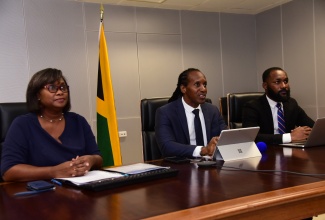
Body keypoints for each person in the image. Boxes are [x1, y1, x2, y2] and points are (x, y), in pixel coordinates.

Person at [1, 68, 103, 181]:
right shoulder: (22, 124)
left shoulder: (78, 121)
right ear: (37, 95)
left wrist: (91, 160)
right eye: (52, 88)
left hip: (79, 189)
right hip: (39, 193)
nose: (60, 92)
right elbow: (9, 171)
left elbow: (98, 157)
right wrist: (53, 172)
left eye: (63, 88)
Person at [155, 68, 227, 158]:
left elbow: (227, 137)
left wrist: (219, 140)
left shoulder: (212, 110)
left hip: (211, 166)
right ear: (183, 88)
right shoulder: (166, 112)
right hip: (183, 167)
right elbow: (166, 147)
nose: (203, 89)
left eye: (205, 84)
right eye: (197, 85)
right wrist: (203, 150)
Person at [242, 67, 314, 144]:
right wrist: (290, 137)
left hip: (290, 150)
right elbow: (251, 137)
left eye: (285, 81)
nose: (284, 86)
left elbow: (312, 127)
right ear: (265, 86)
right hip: (266, 151)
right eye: (277, 82)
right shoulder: (253, 107)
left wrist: (308, 132)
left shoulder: (291, 103)